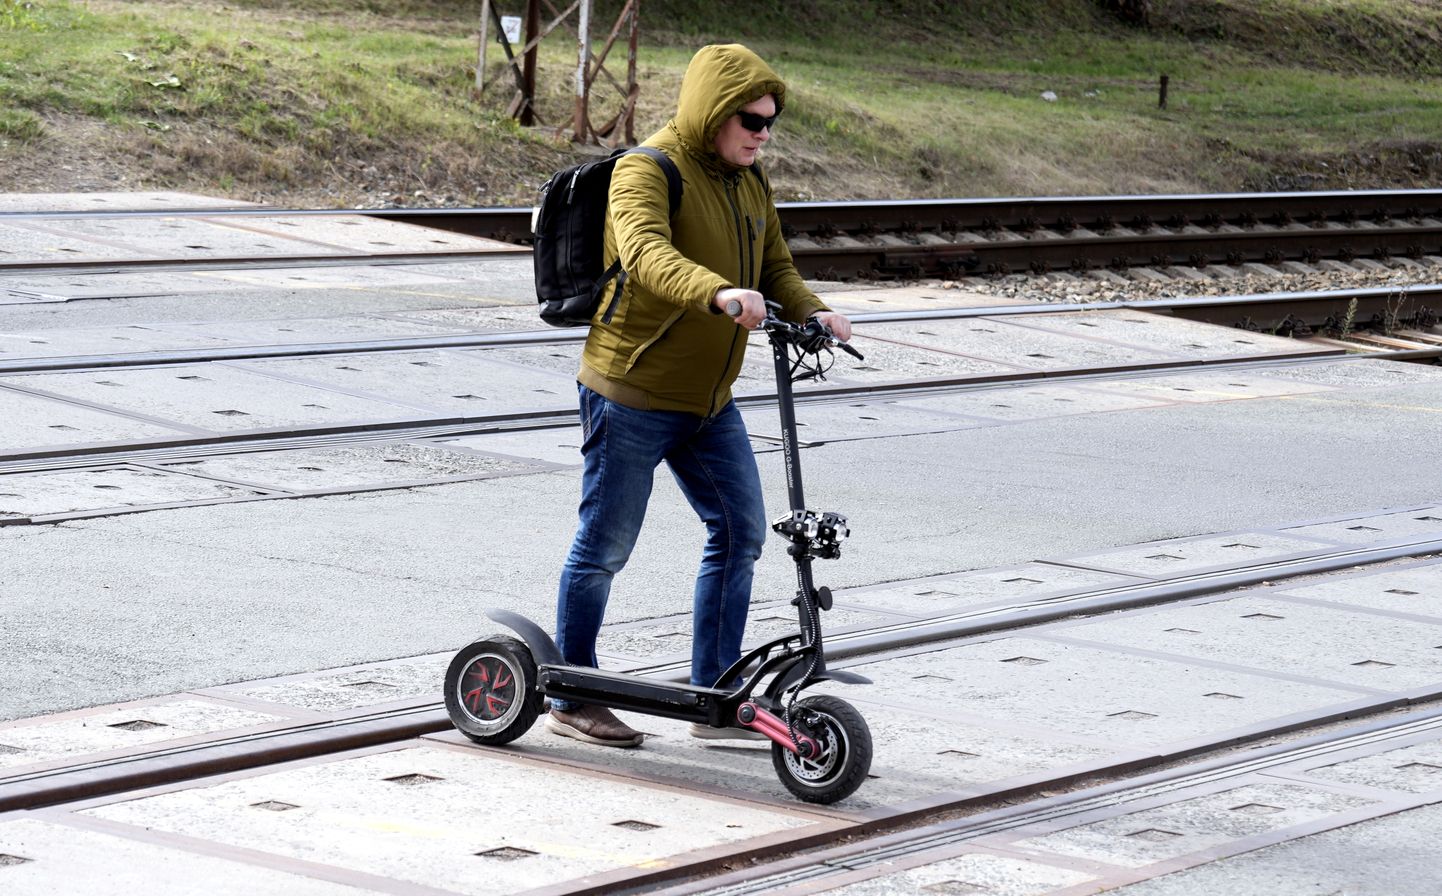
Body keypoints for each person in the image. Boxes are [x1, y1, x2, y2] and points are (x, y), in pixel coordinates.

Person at [545, 43, 853, 748]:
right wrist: (715, 293)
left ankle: (716, 695)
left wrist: (813, 310)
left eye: (771, 121)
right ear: (713, 111)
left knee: (741, 532)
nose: (762, 133)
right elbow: (648, 256)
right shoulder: (645, 170)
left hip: (708, 402)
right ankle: (571, 692)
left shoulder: (750, 180)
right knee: (605, 545)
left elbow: (775, 266)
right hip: (631, 392)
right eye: (750, 119)